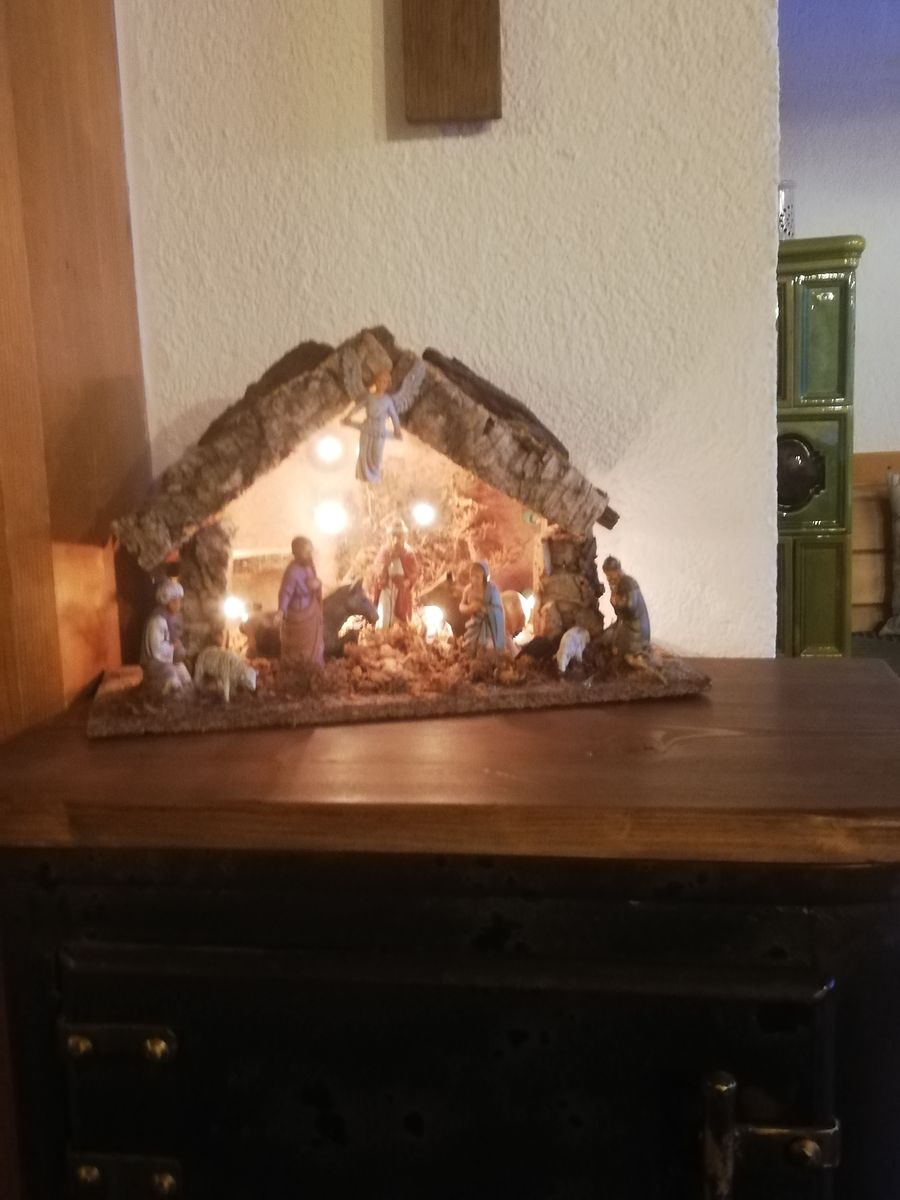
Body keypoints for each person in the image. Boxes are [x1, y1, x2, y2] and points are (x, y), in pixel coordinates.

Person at [344, 369, 402, 484]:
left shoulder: (387, 400)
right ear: (375, 382)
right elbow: (358, 406)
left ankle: (374, 475)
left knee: (377, 454)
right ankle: (363, 474)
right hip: (367, 427)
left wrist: (397, 429)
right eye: (379, 381)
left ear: (387, 384)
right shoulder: (369, 397)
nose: (381, 384)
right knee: (364, 451)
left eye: (384, 382)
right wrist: (349, 416)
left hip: (379, 429)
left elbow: (394, 415)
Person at [278, 536, 325, 668]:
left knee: (316, 643)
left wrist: (317, 584)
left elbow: (314, 582)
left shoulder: (309, 566)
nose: (310, 555)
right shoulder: (292, 571)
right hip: (297, 614)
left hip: (311, 610)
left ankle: (315, 665)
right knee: (296, 647)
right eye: (306, 552)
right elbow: (286, 592)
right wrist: (281, 610)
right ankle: (296, 668)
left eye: (311, 551)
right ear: (296, 553)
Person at [141, 579, 192, 695]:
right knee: (172, 678)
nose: (178, 605)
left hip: (167, 660)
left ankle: (188, 697)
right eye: (174, 601)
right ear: (166, 601)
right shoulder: (157, 620)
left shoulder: (169, 618)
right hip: (155, 663)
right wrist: (173, 646)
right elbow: (156, 649)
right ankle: (172, 698)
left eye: (179, 601)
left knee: (183, 672)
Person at [372, 519, 419, 629]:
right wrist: (382, 574)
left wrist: (408, 582)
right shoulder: (385, 551)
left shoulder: (408, 553)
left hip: (401, 589)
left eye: (399, 536)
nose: (396, 539)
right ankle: (383, 632)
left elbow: (414, 572)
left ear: (404, 537)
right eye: (394, 535)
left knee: (400, 615)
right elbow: (378, 568)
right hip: (387, 587)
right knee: (384, 614)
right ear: (390, 536)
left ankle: (399, 633)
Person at [602, 556, 650, 657]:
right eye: (607, 576)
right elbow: (619, 613)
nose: (608, 579)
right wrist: (615, 602)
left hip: (636, 630)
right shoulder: (617, 585)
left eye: (610, 575)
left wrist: (617, 602)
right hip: (628, 625)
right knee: (607, 636)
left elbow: (630, 607)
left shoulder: (628, 583)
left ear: (617, 571)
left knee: (614, 644)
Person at [460, 561, 506, 655]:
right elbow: (461, 605)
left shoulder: (492, 590)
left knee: (488, 648)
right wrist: (469, 608)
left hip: (490, 625)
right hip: (475, 623)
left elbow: (498, 609)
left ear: (484, 577)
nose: (474, 579)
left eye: (477, 577)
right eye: (472, 576)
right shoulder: (468, 590)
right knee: (470, 646)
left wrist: (485, 609)